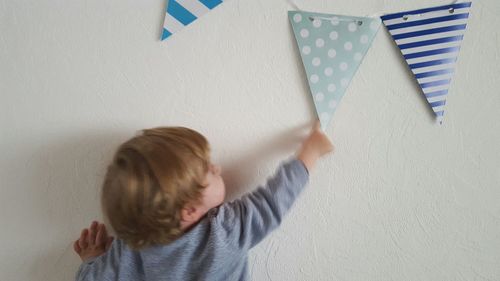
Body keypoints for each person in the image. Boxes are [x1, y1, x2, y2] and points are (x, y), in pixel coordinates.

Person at [74, 120, 334, 280]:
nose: (218, 169)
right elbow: (273, 201)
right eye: (209, 170)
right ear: (189, 210)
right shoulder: (224, 232)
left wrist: (92, 259)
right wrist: (309, 153)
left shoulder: (129, 250)